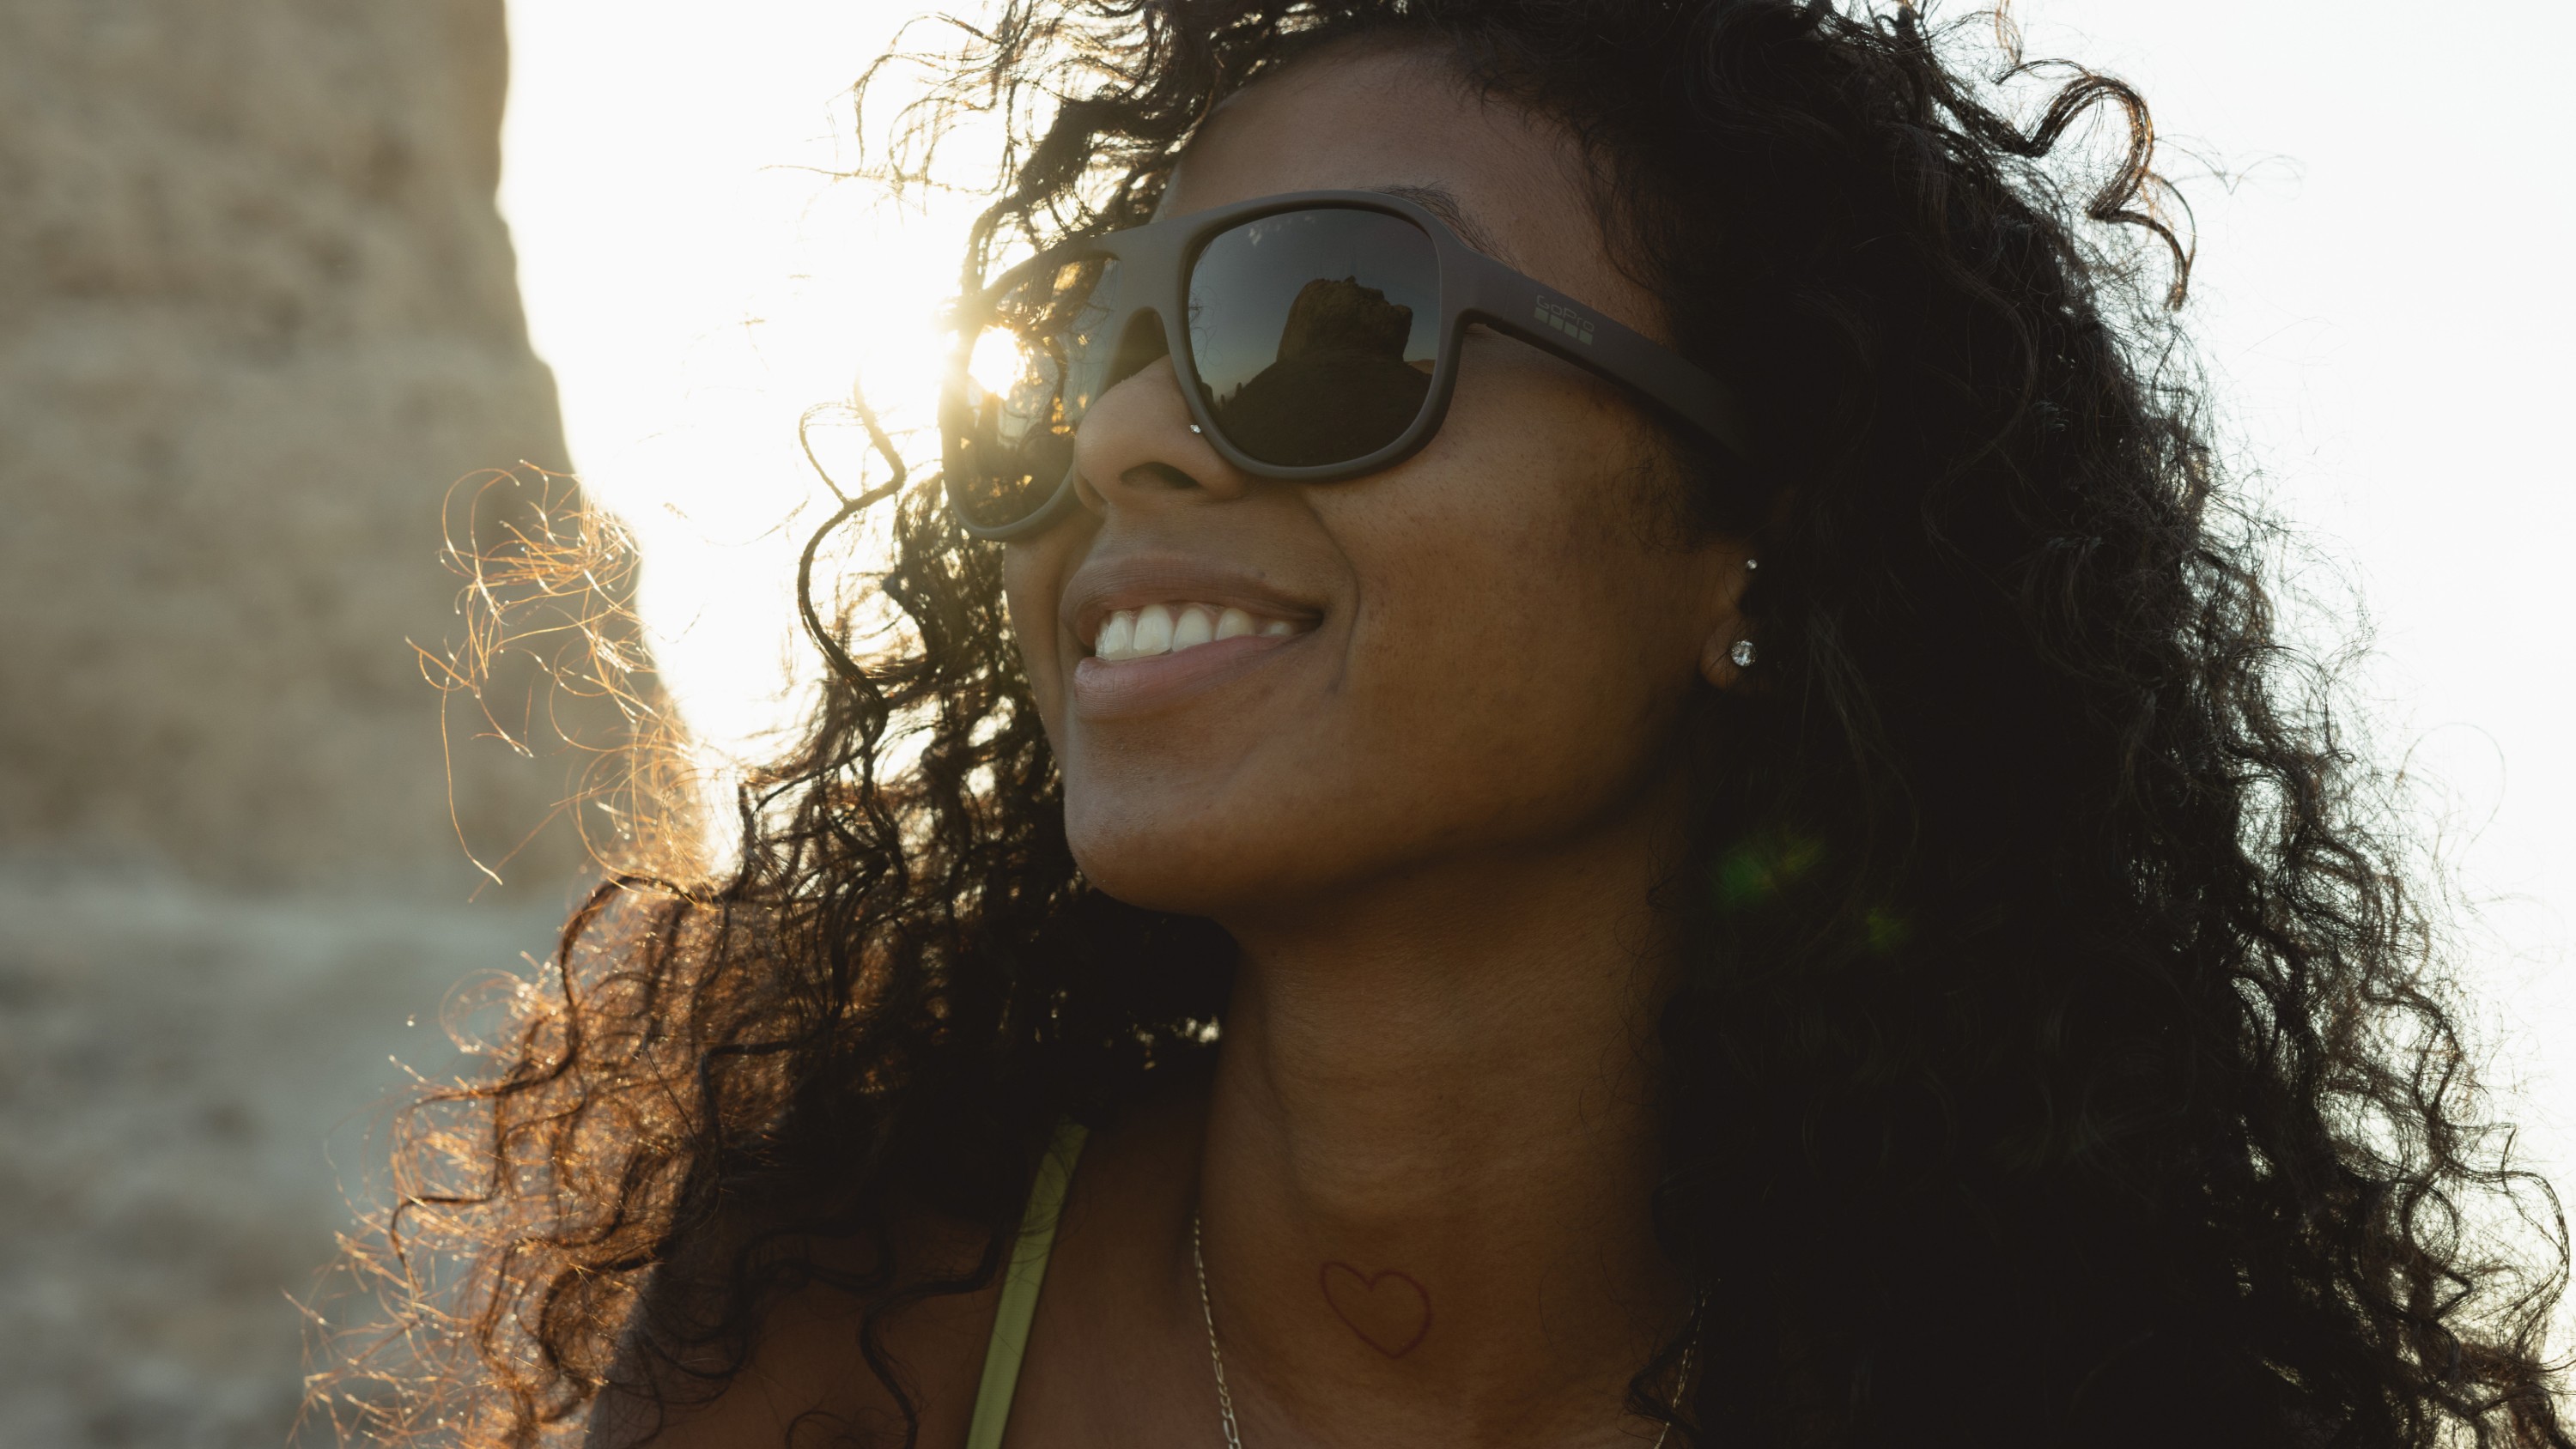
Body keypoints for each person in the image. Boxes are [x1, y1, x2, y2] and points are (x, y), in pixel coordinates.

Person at [341, 3, 2572, 1446]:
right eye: (1081, 345)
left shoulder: (2096, 1403)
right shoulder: (852, 1317)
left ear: (1755, 541)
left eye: (1327, 326)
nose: (1127, 441)